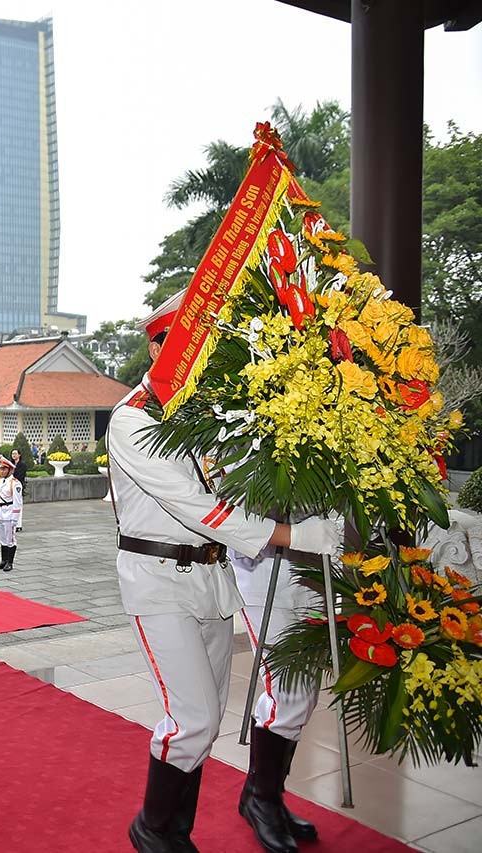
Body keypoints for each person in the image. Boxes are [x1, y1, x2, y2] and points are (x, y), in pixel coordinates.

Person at [108, 295, 343, 852]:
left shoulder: (208, 418)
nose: (192, 363)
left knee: (207, 719)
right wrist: (293, 537)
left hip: (210, 581)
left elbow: (237, 488)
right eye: (181, 348)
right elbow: (198, 507)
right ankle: (153, 829)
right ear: (155, 347)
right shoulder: (134, 419)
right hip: (158, 579)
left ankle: (175, 831)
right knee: (190, 716)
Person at [232, 547, 323, 848]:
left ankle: (264, 793)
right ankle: (263, 800)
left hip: (313, 570)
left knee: (304, 696)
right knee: (288, 692)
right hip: (264, 569)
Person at [0, 456, 22, 572]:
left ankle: (10, 562)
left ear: (10, 470)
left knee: (10, 539)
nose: (2, 471)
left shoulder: (15, 483)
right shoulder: (0, 482)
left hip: (9, 513)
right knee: (2, 538)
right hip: (0, 512)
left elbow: (17, 502)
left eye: (4, 469)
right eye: (1, 469)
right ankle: (3, 560)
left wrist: (15, 518)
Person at [10, 449, 28, 530]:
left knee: (18, 505)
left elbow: (21, 476)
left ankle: (18, 524)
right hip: (10, 487)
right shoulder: (10, 465)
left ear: (19, 455)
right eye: (12, 454)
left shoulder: (23, 465)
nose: (13, 455)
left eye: (15, 453)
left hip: (18, 486)